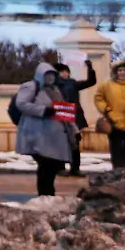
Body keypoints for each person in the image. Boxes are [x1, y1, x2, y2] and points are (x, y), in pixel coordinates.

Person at [15, 63, 77, 196]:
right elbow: (21, 103)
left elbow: (63, 110)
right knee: (45, 164)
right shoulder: (31, 87)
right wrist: (43, 110)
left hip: (54, 135)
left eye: (52, 75)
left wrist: (74, 130)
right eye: (47, 75)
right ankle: (45, 194)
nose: (50, 78)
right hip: (38, 133)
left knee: (52, 165)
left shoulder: (55, 90)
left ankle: (48, 193)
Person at [54, 60, 97, 177]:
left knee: (75, 143)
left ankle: (75, 168)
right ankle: (60, 167)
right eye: (62, 71)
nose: (65, 74)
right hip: (59, 114)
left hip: (74, 114)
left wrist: (90, 69)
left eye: (66, 71)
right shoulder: (53, 85)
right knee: (60, 142)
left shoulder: (72, 83)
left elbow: (91, 82)